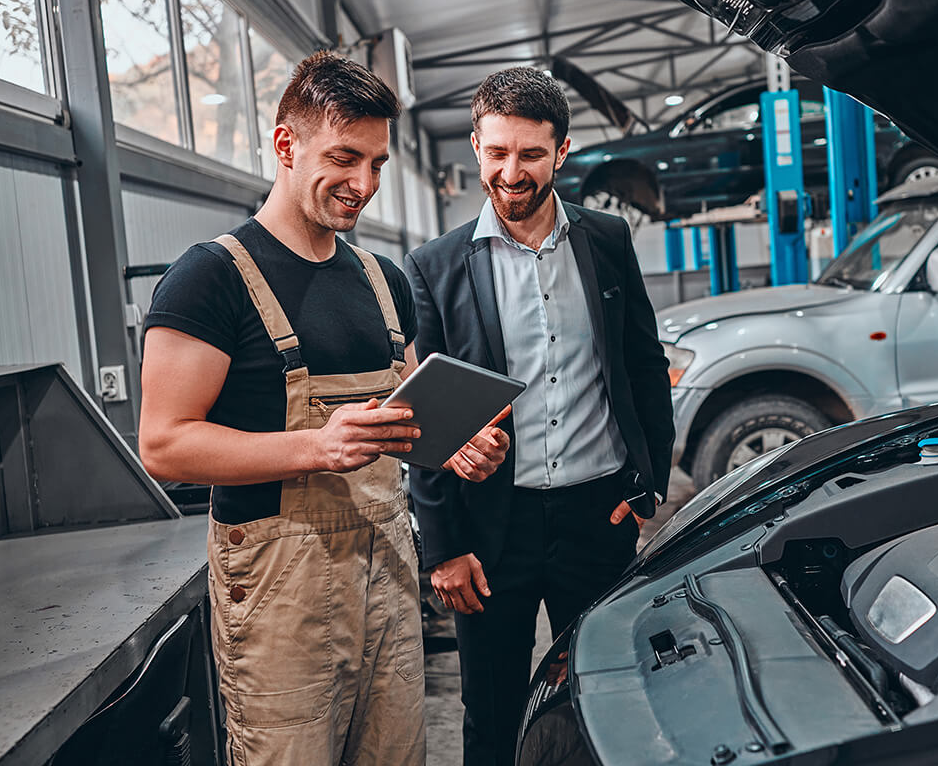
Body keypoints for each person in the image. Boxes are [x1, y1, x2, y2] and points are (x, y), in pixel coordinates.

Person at [138, 51, 509, 766]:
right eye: (344, 158)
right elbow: (163, 444)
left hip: (387, 574)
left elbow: (403, 414)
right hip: (281, 595)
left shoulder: (382, 280)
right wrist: (315, 447)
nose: (363, 184)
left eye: (376, 163)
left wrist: (454, 445)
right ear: (287, 144)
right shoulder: (209, 279)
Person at [404, 67, 675, 765]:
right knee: (490, 712)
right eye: (496, 153)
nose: (511, 171)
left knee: (607, 696)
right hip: (492, 530)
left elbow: (644, 367)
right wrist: (442, 547)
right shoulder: (435, 268)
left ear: (561, 150)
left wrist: (647, 484)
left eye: (529, 154)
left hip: (598, 517)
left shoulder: (607, 241)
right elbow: (424, 420)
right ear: (475, 147)